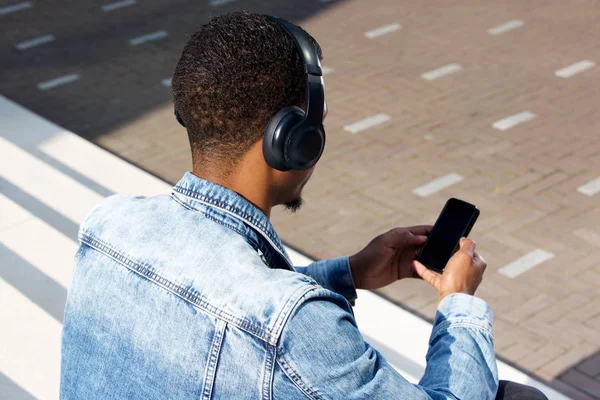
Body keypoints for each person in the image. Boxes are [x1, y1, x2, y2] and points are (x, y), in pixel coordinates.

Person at [60, 11, 548, 400]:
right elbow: (266, 327)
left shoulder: (108, 225)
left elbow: (220, 314)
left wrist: (348, 273)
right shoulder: (296, 327)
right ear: (294, 140)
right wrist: (459, 304)